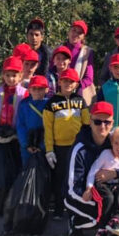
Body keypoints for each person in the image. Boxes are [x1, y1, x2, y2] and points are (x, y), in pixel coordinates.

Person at [65, 101, 119, 236]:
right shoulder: (80, 148)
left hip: (107, 190)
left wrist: (115, 173)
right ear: (90, 121)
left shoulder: (116, 140)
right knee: (104, 209)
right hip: (82, 193)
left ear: (112, 123)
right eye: (97, 121)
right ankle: (76, 223)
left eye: (107, 122)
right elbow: (71, 189)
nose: (102, 126)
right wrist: (93, 197)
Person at [44, 68, 90, 221]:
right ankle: (58, 208)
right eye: (65, 81)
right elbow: (48, 129)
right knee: (60, 178)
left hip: (77, 147)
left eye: (71, 81)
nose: (68, 84)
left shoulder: (80, 101)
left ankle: (75, 208)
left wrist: (87, 144)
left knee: (76, 178)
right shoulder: (51, 103)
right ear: (60, 83)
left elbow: (87, 124)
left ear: (76, 84)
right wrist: (49, 150)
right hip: (59, 148)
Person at [0, 56, 27, 136]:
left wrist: (21, 132)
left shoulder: (23, 94)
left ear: (20, 76)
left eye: (14, 75)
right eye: (7, 75)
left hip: (17, 134)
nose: (10, 79)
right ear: (3, 75)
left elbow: (26, 115)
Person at [16, 75, 49, 166]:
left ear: (46, 90)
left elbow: (51, 127)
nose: (37, 91)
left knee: (43, 170)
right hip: (27, 144)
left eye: (40, 89)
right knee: (27, 169)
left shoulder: (49, 104)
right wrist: (25, 144)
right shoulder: (24, 104)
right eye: (34, 89)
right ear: (29, 90)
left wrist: (43, 146)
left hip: (44, 144)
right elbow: (20, 125)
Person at [62, 20, 97, 104]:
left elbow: (89, 78)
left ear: (83, 37)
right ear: (69, 31)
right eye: (74, 30)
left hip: (78, 95)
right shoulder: (60, 49)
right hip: (60, 93)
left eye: (79, 32)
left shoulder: (87, 52)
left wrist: (74, 86)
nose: (75, 34)